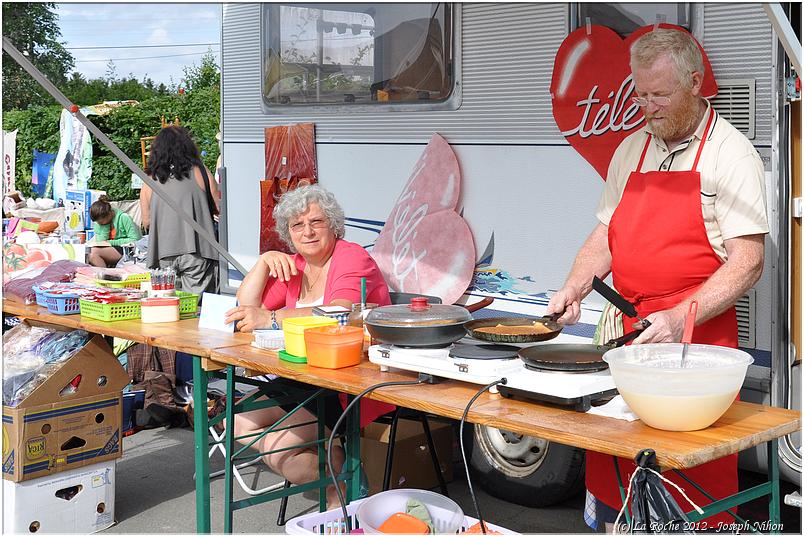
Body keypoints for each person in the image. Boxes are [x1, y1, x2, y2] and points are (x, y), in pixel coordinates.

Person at [546, 28, 768, 532]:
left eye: (660, 95)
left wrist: (678, 316)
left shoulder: (730, 155)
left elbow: (747, 261)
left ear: (694, 84)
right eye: (641, 95)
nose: (648, 107)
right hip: (628, 339)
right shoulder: (631, 150)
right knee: (616, 461)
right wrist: (574, 286)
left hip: (695, 344)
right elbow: (606, 234)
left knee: (685, 476)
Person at [224, 184, 394, 507]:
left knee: (279, 450)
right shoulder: (296, 265)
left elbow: (337, 313)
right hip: (300, 376)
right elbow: (245, 310)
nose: (307, 232)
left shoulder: (352, 256)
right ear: (288, 233)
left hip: (344, 382)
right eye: (297, 225)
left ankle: (340, 486)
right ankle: (337, 471)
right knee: (237, 424)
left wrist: (271, 319)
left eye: (316, 222)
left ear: (333, 225)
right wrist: (262, 263)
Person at [140, 126, 220, 295]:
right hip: (197, 251)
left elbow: (146, 221)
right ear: (187, 146)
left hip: (161, 253)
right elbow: (218, 209)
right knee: (195, 308)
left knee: (167, 306)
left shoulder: (149, 179)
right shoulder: (201, 172)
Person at [87, 195, 141, 268]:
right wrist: (105, 225)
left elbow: (135, 239)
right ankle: (103, 274)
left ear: (109, 214)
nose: (100, 224)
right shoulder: (100, 221)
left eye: (101, 222)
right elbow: (101, 241)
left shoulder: (124, 218)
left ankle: (105, 275)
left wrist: (110, 242)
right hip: (110, 248)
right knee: (89, 252)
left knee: (94, 254)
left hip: (126, 249)